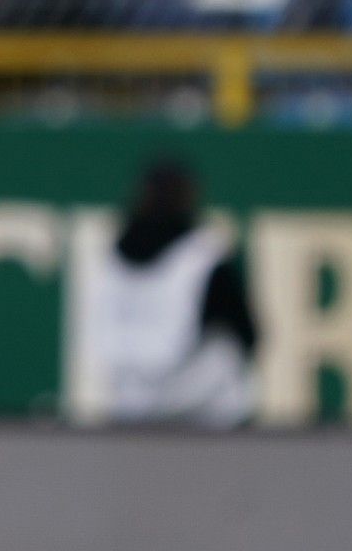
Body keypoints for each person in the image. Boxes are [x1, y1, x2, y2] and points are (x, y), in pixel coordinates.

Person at [78, 158, 258, 427]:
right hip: (196, 402)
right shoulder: (204, 254)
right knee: (226, 352)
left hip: (128, 400)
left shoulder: (111, 254)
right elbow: (249, 335)